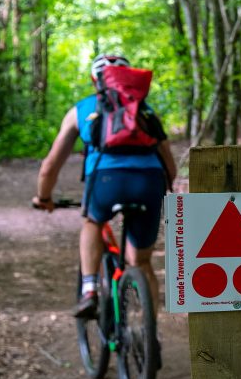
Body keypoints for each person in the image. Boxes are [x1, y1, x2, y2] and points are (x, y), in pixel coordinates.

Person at [33, 53, 178, 319]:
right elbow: (170, 165)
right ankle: (150, 335)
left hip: (106, 180)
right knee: (141, 261)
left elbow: (50, 166)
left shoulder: (83, 109)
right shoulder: (144, 110)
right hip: (150, 182)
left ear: (94, 80)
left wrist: (44, 197)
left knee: (92, 222)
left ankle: (89, 290)